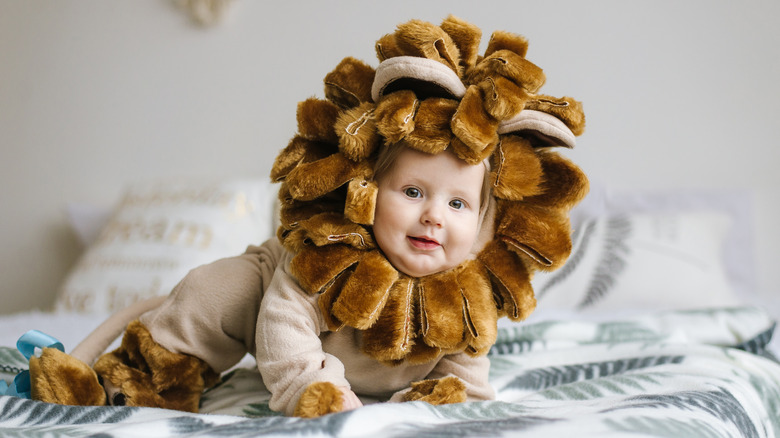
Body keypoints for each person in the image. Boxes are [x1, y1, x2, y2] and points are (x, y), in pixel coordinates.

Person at [133, 141, 495, 416]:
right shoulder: (326, 255)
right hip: (264, 308)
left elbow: (466, 375)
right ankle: (151, 364)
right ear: (368, 193)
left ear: (481, 222)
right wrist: (312, 384)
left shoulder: (469, 292)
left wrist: (444, 398)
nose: (434, 215)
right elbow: (283, 321)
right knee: (218, 291)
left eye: (458, 204)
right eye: (413, 192)